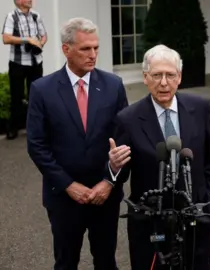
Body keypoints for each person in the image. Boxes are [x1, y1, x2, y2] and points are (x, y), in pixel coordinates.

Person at [26, 18, 128, 270]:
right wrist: (69, 186)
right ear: (66, 49)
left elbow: (124, 139)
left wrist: (108, 182)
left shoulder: (113, 86)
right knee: (65, 261)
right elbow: (37, 145)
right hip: (63, 198)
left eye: (96, 48)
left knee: (106, 261)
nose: (93, 55)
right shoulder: (42, 89)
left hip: (105, 197)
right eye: (85, 49)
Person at [107, 44, 210, 270]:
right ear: (145, 78)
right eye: (157, 75)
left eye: (170, 75)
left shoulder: (199, 109)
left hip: (194, 219)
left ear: (180, 77)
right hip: (151, 224)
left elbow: (209, 162)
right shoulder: (127, 119)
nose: (164, 82)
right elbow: (121, 177)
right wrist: (113, 166)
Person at [2, 0, 47, 140]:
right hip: (18, 63)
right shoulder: (11, 16)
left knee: (36, 96)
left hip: (35, 62)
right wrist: (27, 40)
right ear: (19, 1)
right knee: (17, 96)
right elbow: (6, 38)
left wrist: (39, 44)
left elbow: (44, 35)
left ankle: (35, 127)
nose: (31, 0)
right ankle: (13, 128)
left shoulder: (36, 16)